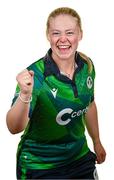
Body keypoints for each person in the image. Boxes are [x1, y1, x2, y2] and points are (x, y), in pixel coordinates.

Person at [6, 7, 106, 179]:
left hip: (79, 157)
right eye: (56, 33)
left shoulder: (87, 66)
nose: (63, 39)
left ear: (80, 35)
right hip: (40, 164)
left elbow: (89, 104)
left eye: (69, 32)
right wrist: (24, 95)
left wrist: (96, 141)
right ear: (48, 36)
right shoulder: (35, 76)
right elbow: (14, 127)